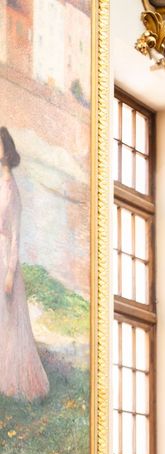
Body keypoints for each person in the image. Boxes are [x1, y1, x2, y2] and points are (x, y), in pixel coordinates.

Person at [0, 126, 49, 402]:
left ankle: (12, 381)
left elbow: (16, 236)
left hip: (6, 256)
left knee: (8, 322)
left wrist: (10, 273)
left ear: (6, 149)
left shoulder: (12, 191)